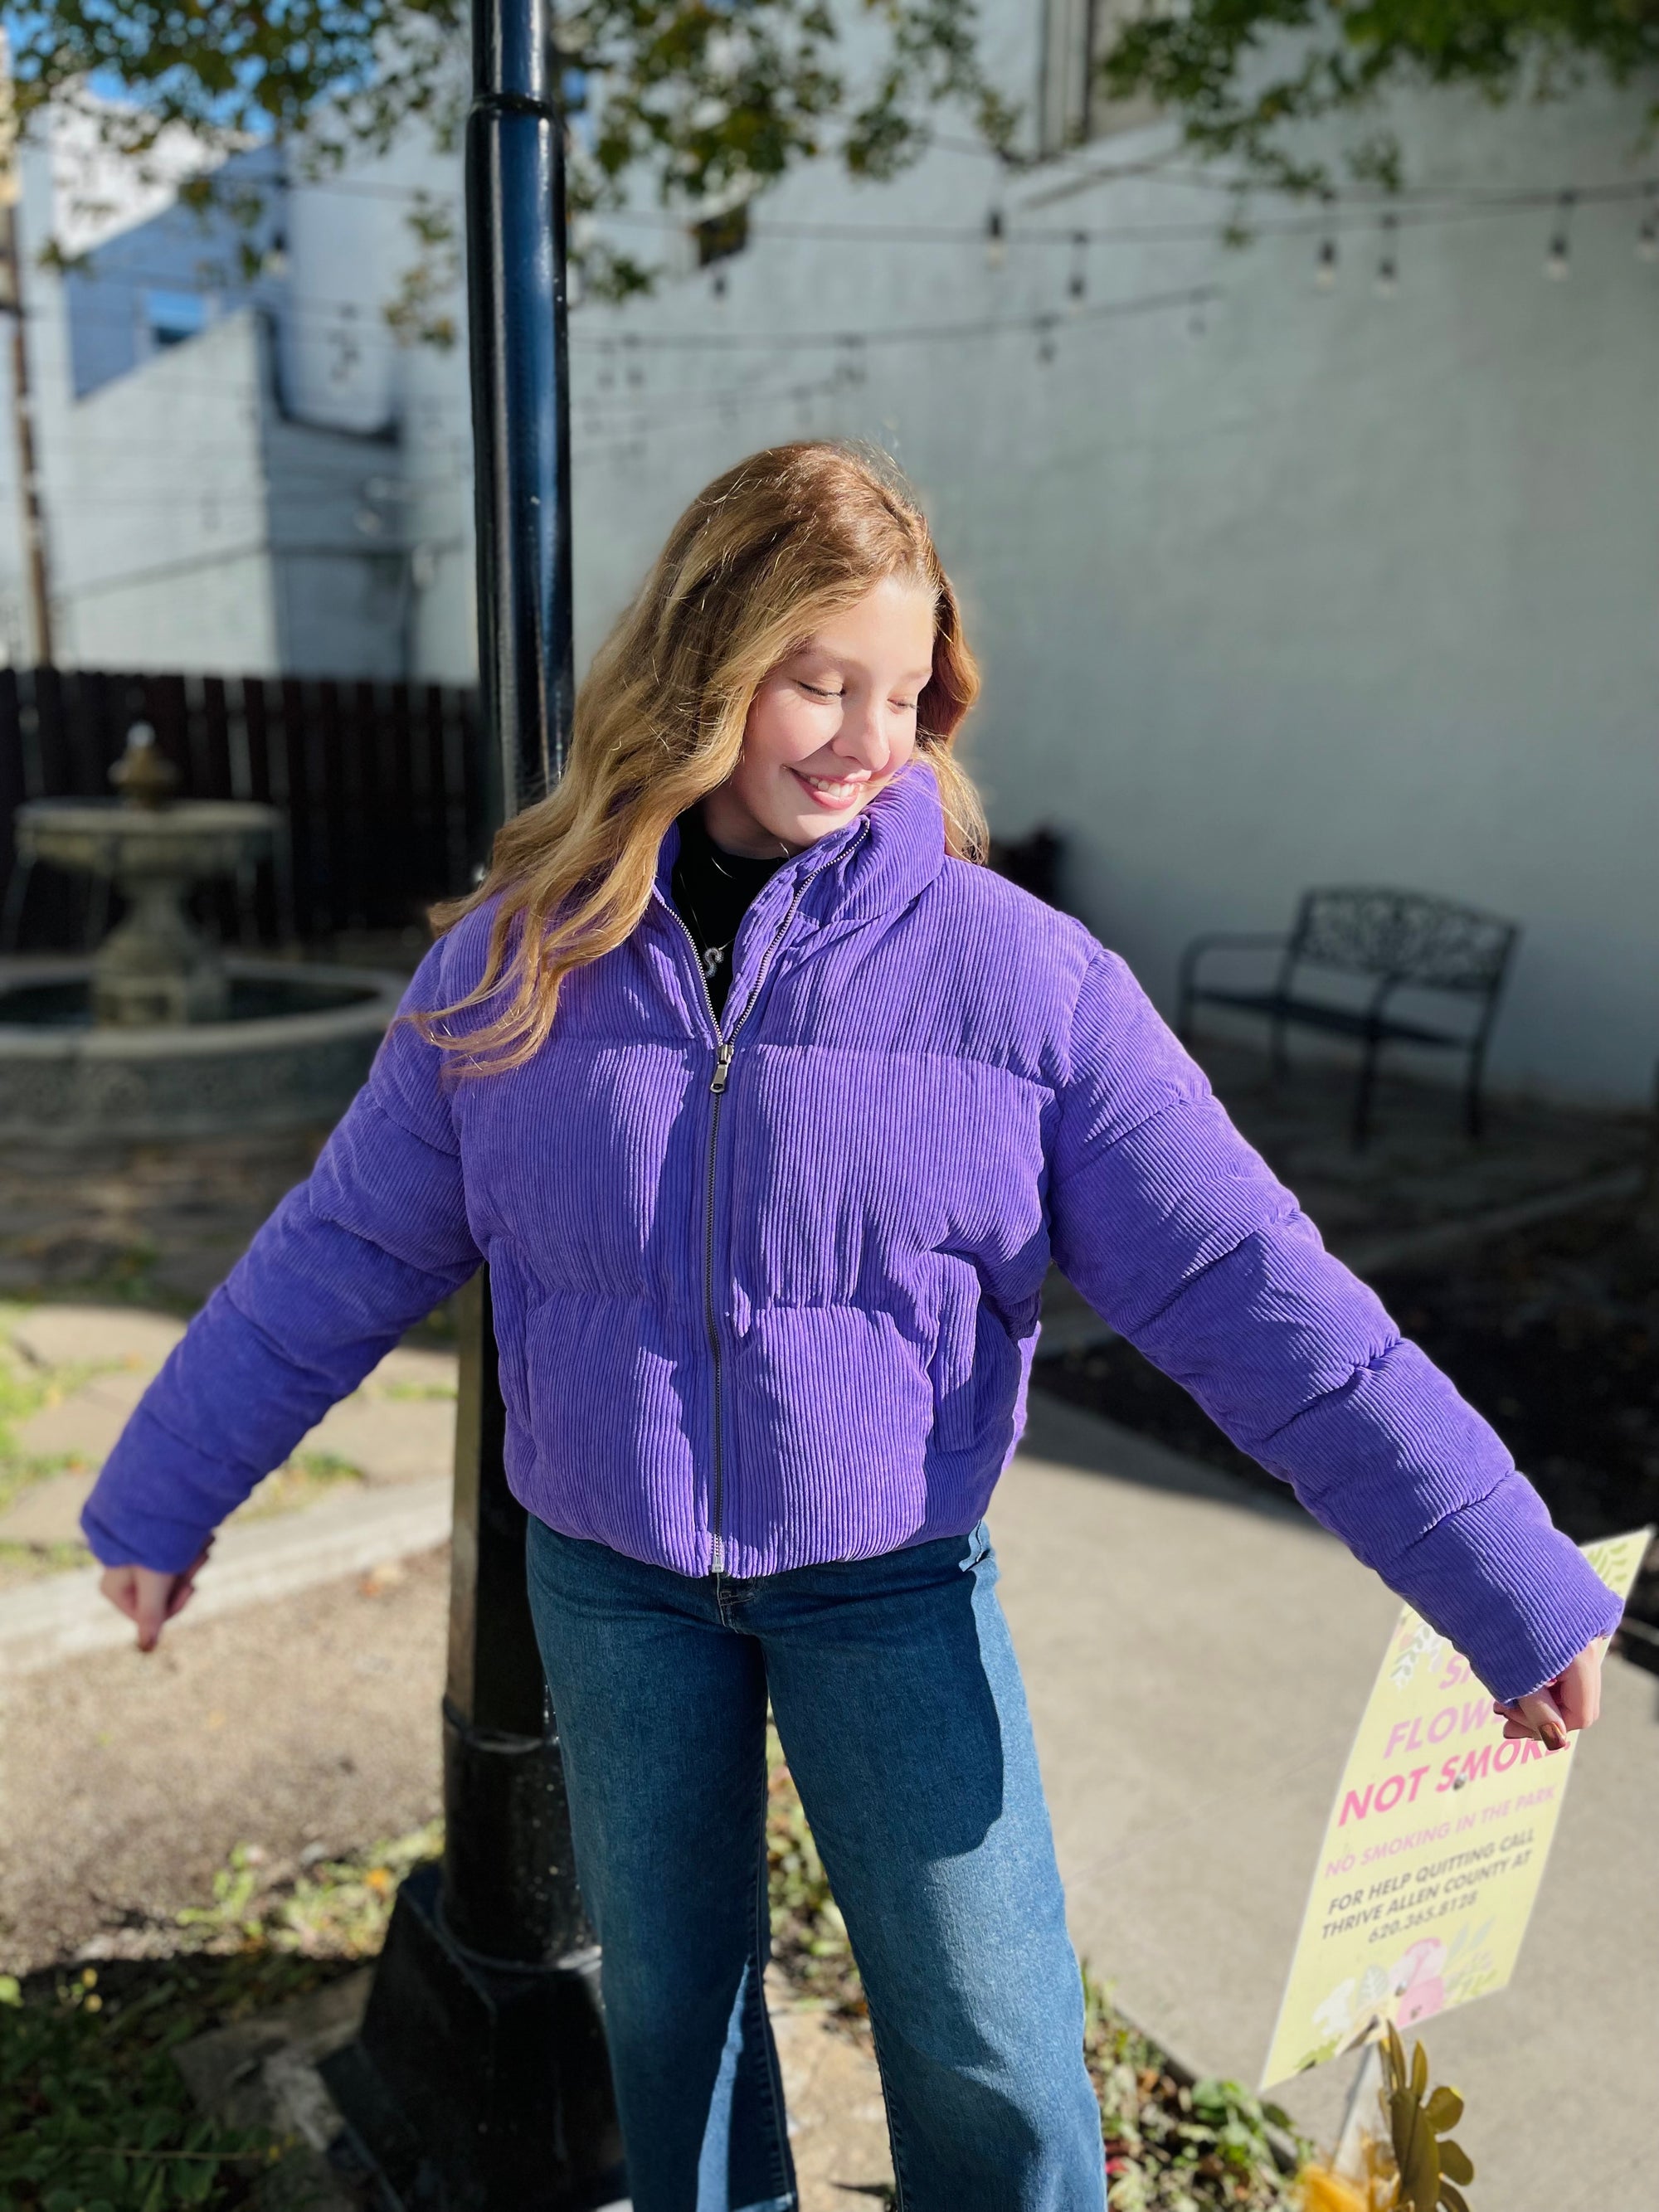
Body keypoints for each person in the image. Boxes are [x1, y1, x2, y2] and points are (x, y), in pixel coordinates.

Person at [83, 443, 1617, 2211]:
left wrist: (1498, 1568)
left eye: (903, 691)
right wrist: (159, 1494)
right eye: (819, 680)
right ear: (703, 667)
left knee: (989, 2033)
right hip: (611, 1580)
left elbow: (1249, 1288)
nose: (866, 733)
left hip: (889, 1580)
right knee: (672, 2015)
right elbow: (333, 1252)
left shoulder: (1027, 985)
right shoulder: (509, 970)